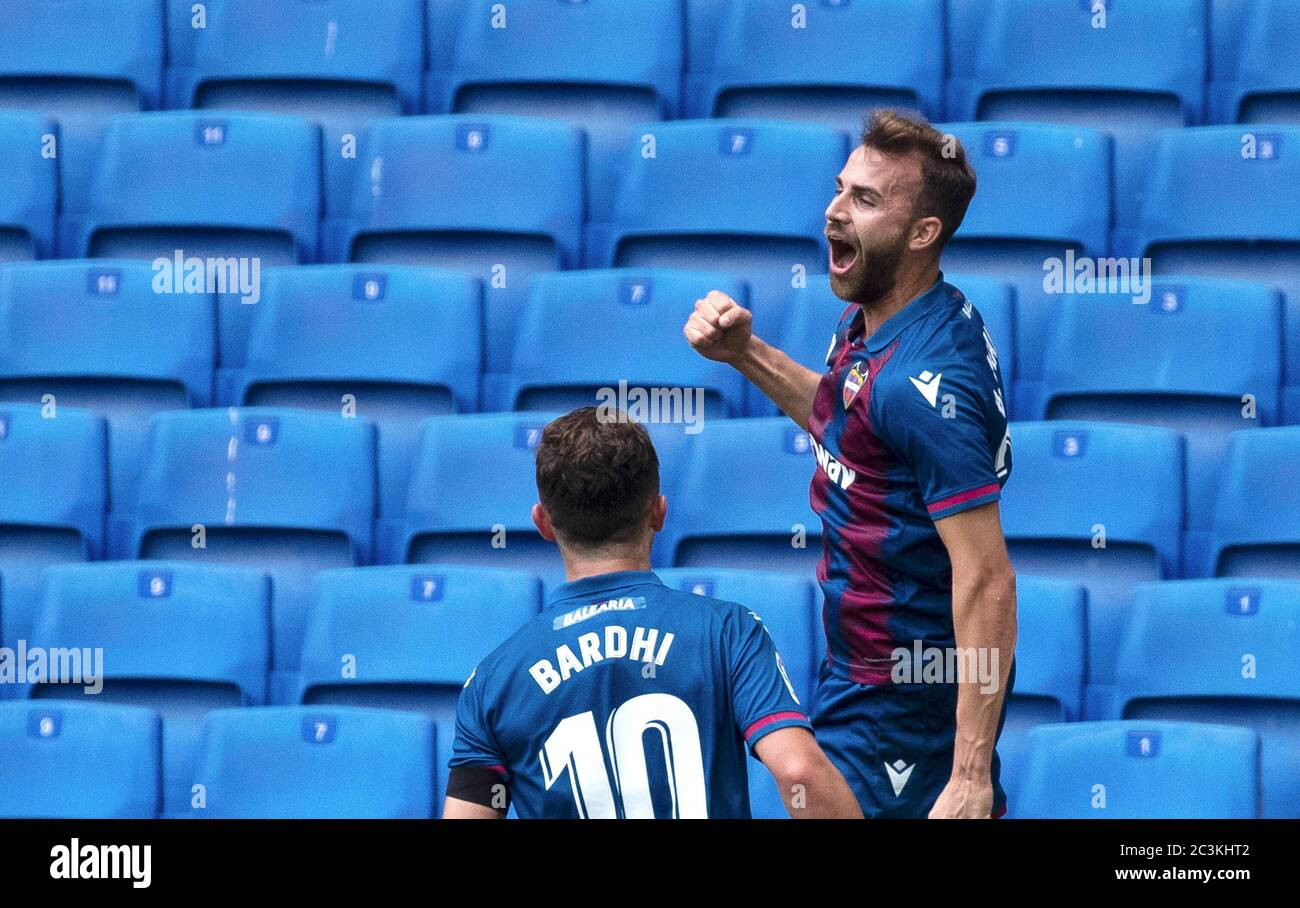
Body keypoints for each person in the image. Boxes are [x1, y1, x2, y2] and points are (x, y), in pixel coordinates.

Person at [684, 109, 1018, 819]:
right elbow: (850, 419)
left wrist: (968, 776)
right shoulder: (888, 314)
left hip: (901, 702)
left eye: (865, 201)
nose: (834, 212)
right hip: (860, 672)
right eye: (840, 190)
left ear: (924, 231)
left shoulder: (928, 384)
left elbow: (987, 579)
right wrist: (746, 353)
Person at [443, 407, 862, 819]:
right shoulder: (728, 632)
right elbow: (798, 771)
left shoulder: (492, 681)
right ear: (659, 512)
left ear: (543, 522)